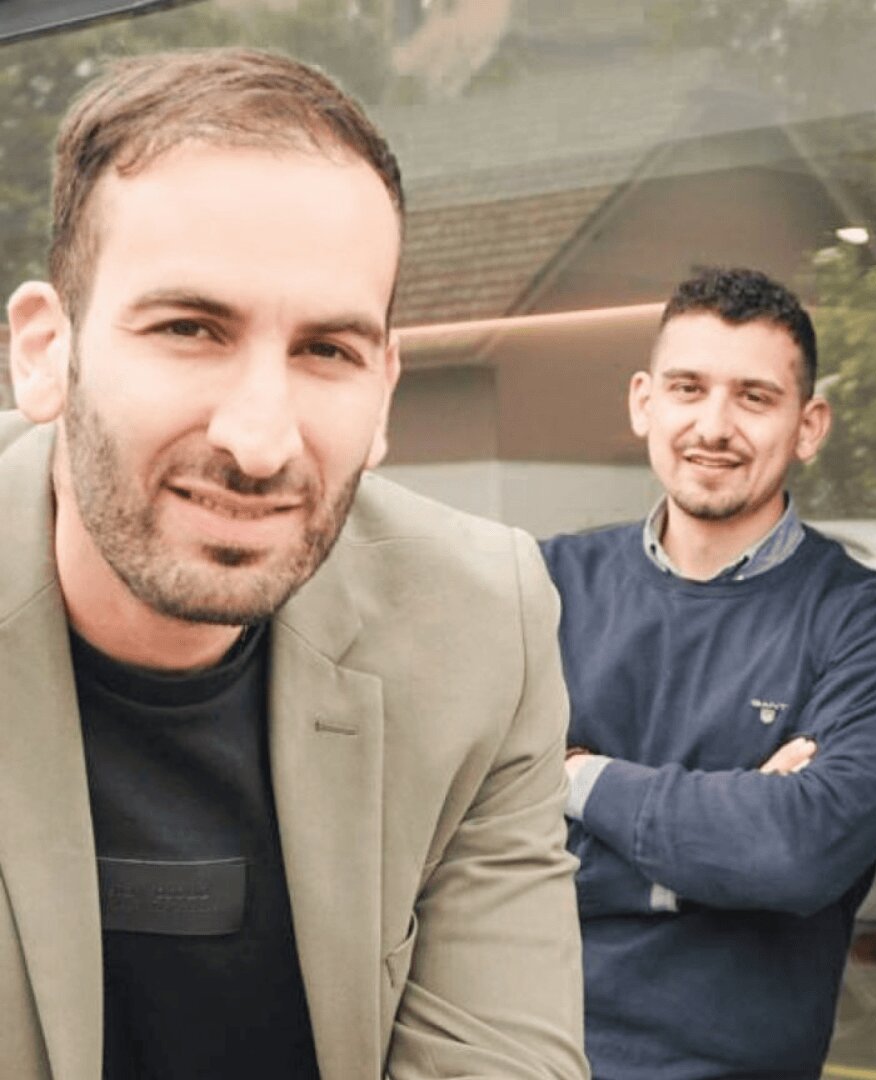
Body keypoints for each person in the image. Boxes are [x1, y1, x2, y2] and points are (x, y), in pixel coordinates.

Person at [0, 48, 586, 1079]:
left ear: (385, 390)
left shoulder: (479, 627)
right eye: (190, 328)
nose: (261, 440)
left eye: (328, 351)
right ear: (47, 352)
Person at [542, 266, 876, 1080]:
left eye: (754, 397)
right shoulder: (549, 586)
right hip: (533, 1059)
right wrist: (714, 855)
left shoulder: (854, 616)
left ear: (808, 426)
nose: (713, 424)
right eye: (687, 388)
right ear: (644, 402)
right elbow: (466, 836)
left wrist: (577, 777)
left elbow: (798, 849)